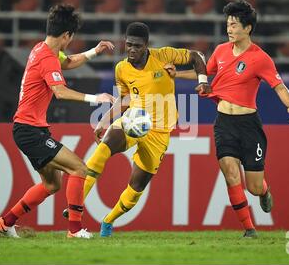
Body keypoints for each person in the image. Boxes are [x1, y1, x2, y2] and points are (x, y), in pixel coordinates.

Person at [63, 22, 209, 237]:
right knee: (102, 151)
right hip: (132, 120)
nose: (131, 49)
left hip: (159, 132)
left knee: (137, 186)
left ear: (146, 46)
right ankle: (76, 206)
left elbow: (197, 56)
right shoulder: (121, 68)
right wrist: (104, 121)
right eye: (129, 44)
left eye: (137, 46)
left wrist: (203, 81)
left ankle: (108, 221)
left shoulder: (163, 56)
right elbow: (125, 98)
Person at [0, 4, 115, 239]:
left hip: (28, 129)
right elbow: (60, 91)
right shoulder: (47, 58)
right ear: (67, 35)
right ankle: (75, 230)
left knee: (52, 185)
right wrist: (95, 98)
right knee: (79, 167)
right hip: (30, 130)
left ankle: (4, 223)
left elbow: (67, 63)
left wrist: (94, 52)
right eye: (71, 37)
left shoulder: (41, 49)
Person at [196, 0, 289, 238]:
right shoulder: (221, 50)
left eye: (234, 25)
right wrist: (177, 73)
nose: (229, 29)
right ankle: (249, 229)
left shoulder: (260, 58)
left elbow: (279, 85)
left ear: (248, 28)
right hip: (224, 123)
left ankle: (264, 192)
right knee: (230, 173)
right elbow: (203, 73)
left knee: (253, 186)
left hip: (248, 125)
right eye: (228, 24)